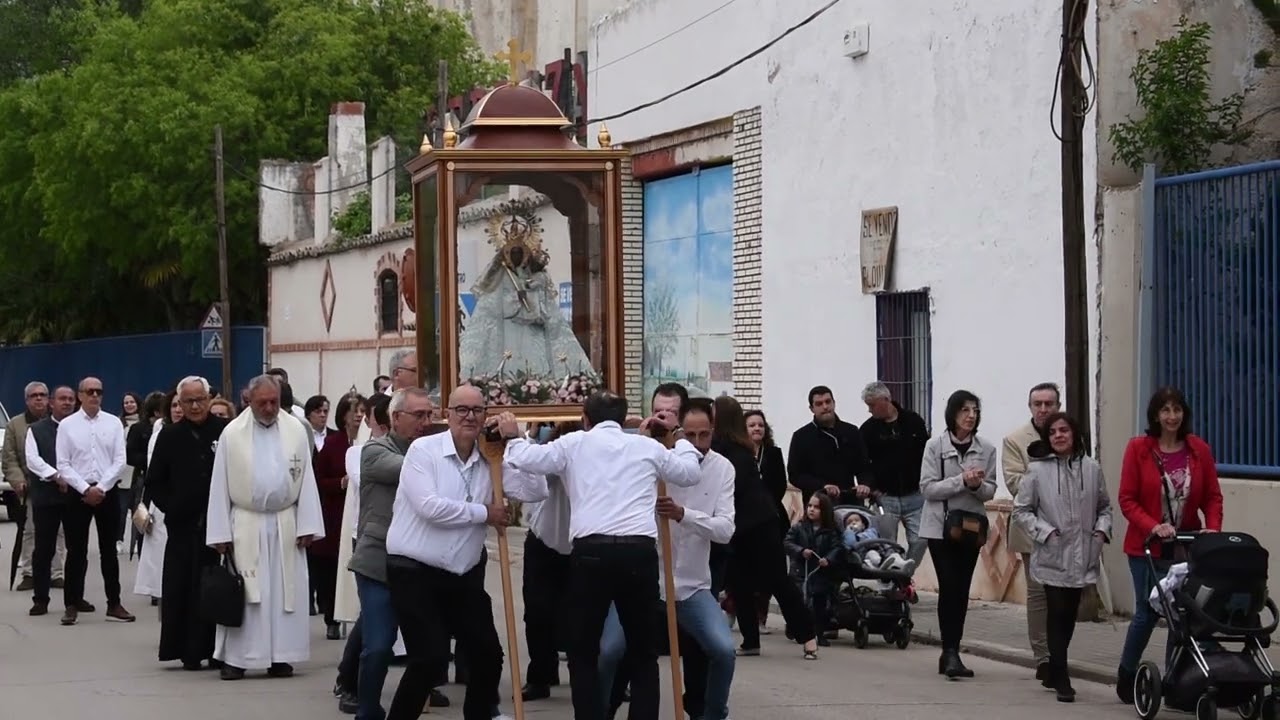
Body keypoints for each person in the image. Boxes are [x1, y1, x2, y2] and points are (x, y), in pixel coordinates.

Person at [500, 390, 703, 720]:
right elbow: (690, 472)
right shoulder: (647, 446)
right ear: (623, 420)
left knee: (583, 651)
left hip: (591, 554)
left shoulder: (575, 443)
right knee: (643, 652)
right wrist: (676, 433)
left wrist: (513, 436)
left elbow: (528, 459)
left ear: (585, 418)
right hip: (638, 554)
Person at [385, 387, 545, 720]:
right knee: (429, 659)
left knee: (488, 655)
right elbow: (429, 507)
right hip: (414, 570)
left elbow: (536, 490)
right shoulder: (423, 451)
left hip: (462, 575)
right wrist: (485, 513)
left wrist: (516, 443)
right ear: (448, 414)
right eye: (462, 410)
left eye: (477, 410)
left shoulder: (492, 457)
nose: (470, 417)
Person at [597, 400, 737, 720]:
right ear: (676, 433)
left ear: (713, 431)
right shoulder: (652, 459)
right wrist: (643, 437)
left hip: (690, 586)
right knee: (609, 652)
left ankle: (713, 715)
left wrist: (683, 515)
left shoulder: (722, 469)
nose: (698, 444)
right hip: (643, 583)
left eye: (704, 435)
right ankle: (598, 711)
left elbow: (726, 530)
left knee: (723, 651)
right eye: (689, 435)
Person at [206, 374, 325, 680]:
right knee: (248, 592)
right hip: (247, 523)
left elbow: (307, 479)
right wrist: (219, 533)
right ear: (249, 400)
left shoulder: (296, 430)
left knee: (286, 592)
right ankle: (238, 658)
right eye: (263, 403)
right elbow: (219, 483)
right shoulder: (233, 433)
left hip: (286, 522)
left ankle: (281, 656)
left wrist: (308, 524)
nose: (270, 408)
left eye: (274, 402)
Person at [1114, 386, 1223, 704]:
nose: (1172, 416)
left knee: (1184, 615)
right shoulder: (1139, 449)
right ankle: (1127, 671)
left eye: (1177, 410)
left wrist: (1213, 528)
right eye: (1165, 410)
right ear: (1156, 415)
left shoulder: (1198, 450)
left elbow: (1212, 496)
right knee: (1147, 612)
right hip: (1146, 546)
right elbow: (1127, 499)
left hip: (1187, 545)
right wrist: (1153, 525)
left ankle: (1175, 679)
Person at [348, 389, 439, 719]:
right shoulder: (374, 451)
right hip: (378, 564)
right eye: (419, 415)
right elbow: (413, 471)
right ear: (395, 418)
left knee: (431, 648)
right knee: (379, 647)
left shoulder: (431, 449)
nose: (426, 422)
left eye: (430, 415)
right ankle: (368, 710)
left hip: (419, 563)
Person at [1012, 412, 1112, 703]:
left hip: (1083, 555)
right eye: (1053, 432)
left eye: (1063, 430)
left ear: (1074, 433)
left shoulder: (1091, 468)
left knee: (1069, 615)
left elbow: (1105, 507)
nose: (1058, 435)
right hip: (1053, 553)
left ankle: (1056, 665)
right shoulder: (1037, 471)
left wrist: (1101, 532)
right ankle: (1062, 675)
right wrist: (1045, 532)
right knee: (1056, 613)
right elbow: (1021, 511)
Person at [717, 395, 819, 660]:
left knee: (777, 580)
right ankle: (751, 641)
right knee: (739, 583)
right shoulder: (734, 447)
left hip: (759, 525)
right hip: (739, 526)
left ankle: (808, 635)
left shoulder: (731, 450)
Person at [146, 376, 230, 670]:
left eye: (200, 399)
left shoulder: (225, 432)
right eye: (188, 401)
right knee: (183, 588)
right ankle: (187, 650)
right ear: (179, 404)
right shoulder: (169, 436)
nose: (195, 406)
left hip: (219, 526)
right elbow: (154, 482)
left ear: (209, 399)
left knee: (218, 589)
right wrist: (174, 506)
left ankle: (219, 649)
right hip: (183, 526)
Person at [459, 203, 594, 382]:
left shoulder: (537, 277)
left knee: (537, 365)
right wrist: (515, 298)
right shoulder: (502, 276)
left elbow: (546, 310)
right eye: (512, 253)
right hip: (508, 331)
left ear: (525, 253)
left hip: (533, 331)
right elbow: (492, 307)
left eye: (519, 252)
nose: (515, 256)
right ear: (506, 254)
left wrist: (531, 296)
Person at [919, 389, 997, 679]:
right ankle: (948, 651)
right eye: (965, 410)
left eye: (975, 410)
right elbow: (927, 488)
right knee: (949, 586)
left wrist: (977, 485)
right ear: (952, 413)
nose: (970, 415)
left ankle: (953, 650)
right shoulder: (934, 446)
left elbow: (990, 491)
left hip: (970, 529)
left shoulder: (986, 448)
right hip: (940, 529)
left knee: (961, 590)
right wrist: (961, 480)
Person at [56, 376, 134, 626]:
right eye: (89, 391)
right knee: (76, 550)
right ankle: (71, 603)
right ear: (80, 395)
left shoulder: (112, 424)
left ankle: (114, 603)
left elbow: (120, 460)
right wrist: (83, 488)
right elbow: (63, 464)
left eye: (99, 391)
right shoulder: (67, 425)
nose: (94, 396)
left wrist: (100, 487)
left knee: (108, 549)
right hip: (78, 492)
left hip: (106, 490)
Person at [1001, 381, 1062, 680]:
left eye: (1048, 404)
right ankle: (1043, 657)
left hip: (1066, 531)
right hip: (1031, 528)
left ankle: (1060, 650)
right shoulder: (1015, 440)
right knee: (1038, 594)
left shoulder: (1069, 436)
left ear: (1057, 406)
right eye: (1037, 404)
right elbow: (1014, 484)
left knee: (1062, 595)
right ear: (1030, 407)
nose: (1043, 409)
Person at [520, 421, 577, 703]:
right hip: (545, 541)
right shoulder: (549, 461)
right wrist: (530, 436)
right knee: (538, 612)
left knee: (588, 616)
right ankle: (541, 676)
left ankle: (594, 674)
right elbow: (532, 468)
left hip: (583, 545)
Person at [859, 381, 930, 567]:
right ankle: (890, 585)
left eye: (872, 405)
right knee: (885, 546)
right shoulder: (867, 430)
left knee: (921, 540)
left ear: (886, 400)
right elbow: (863, 464)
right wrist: (872, 488)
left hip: (915, 495)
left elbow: (926, 454)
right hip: (885, 497)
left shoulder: (913, 421)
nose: (870, 410)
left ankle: (903, 576)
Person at [4, 381, 66, 592]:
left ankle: (56, 573)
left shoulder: (59, 422)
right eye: (34, 395)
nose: (38, 399)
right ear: (27, 399)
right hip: (31, 486)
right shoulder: (15, 424)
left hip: (59, 485)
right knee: (30, 531)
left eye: (42, 395)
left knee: (58, 532)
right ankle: (29, 573)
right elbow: (9, 458)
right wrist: (18, 481)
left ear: (49, 400)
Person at [25, 386, 78, 616]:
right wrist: (56, 475)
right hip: (46, 497)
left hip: (75, 496)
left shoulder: (81, 429)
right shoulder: (36, 430)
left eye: (70, 399)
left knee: (77, 549)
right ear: (51, 403)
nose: (67, 403)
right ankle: (41, 598)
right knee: (44, 549)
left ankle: (75, 599)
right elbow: (32, 460)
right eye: (62, 399)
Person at [787, 385, 871, 506]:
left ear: (834, 403)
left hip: (850, 503)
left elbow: (864, 466)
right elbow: (795, 475)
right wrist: (823, 486)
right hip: (818, 506)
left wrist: (864, 484)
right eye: (819, 404)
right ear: (812, 408)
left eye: (828, 402)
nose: (825, 407)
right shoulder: (801, 437)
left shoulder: (851, 431)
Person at [783, 493, 842, 647]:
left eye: (817, 507)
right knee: (799, 602)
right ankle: (795, 627)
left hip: (820, 573)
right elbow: (788, 543)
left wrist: (828, 559)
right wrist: (801, 551)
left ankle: (819, 633)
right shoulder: (799, 527)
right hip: (800, 572)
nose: (812, 510)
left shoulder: (831, 531)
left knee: (819, 606)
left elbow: (837, 548)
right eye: (810, 506)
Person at [842, 511, 913, 574]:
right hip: (866, 553)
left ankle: (902, 564)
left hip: (880, 548)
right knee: (874, 557)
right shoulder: (851, 535)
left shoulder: (871, 531)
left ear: (863, 525)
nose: (853, 523)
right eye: (849, 522)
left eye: (856, 520)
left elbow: (877, 538)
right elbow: (850, 544)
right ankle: (882, 565)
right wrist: (849, 532)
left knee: (894, 554)